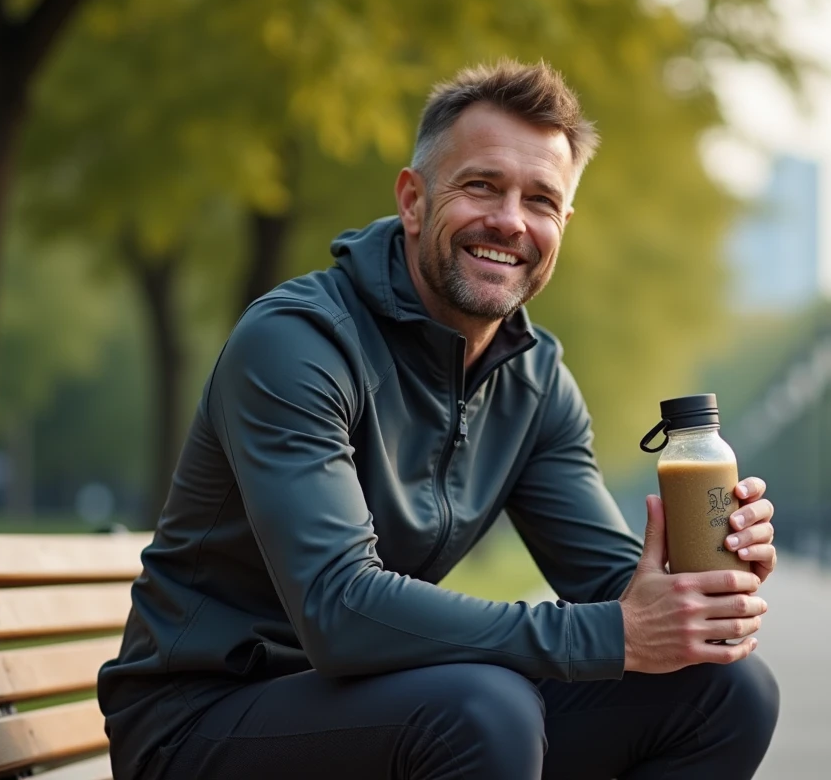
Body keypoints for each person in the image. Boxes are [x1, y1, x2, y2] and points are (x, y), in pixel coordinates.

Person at [98, 59, 780, 780]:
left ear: (563, 225)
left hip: (375, 699)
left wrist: (705, 576)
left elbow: (615, 589)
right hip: (198, 725)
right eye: (481, 185)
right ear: (413, 200)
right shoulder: (297, 343)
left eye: (541, 200)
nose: (510, 221)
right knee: (484, 709)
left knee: (727, 692)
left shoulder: (535, 380)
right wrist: (610, 634)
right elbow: (339, 609)